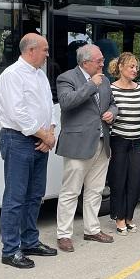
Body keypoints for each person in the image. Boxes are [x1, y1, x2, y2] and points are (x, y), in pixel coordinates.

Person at [0, 33, 58, 269]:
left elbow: (49, 106)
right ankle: (10, 250)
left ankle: (30, 241)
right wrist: (44, 136)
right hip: (18, 140)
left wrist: (50, 132)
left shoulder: (40, 75)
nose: (47, 54)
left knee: (34, 196)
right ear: (31, 50)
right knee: (15, 198)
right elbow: (17, 113)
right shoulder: (12, 75)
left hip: (40, 140)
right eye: (45, 49)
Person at [55, 44, 118, 252]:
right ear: (85, 62)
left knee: (96, 190)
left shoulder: (105, 80)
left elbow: (113, 103)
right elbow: (66, 102)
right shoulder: (67, 78)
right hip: (77, 144)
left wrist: (112, 112)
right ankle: (64, 234)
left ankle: (92, 229)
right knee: (70, 191)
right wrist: (91, 85)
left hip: (102, 143)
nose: (103, 63)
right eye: (99, 60)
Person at [107, 52, 140, 235]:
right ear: (121, 68)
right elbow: (107, 117)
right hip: (119, 140)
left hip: (138, 141)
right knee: (118, 181)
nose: (135, 70)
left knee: (136, 181)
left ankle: (130, 216)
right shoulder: (111, 89)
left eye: (136, 67)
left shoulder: (139, 89)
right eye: (131, 67)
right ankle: (119, 218)